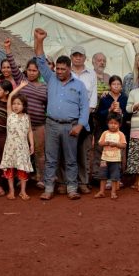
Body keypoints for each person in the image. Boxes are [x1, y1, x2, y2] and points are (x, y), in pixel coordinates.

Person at [33, 28, 89, 200]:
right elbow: (40, 60)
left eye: (62, 69)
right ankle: (49, 188)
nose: (59, 72)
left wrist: (80, 125)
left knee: (71, 159)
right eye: (57, 68)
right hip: (52, 124)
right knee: (51, 159)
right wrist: (40, 40)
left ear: (69, 69)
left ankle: (72, 188)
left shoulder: (79, 85)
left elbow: (85, 107)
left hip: (71, 126)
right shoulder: (50, 79)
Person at [4, 38, 47, 188]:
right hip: (20, 126)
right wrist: (8, 49)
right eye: (29, 70)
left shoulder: (44, 87)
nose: (32, 72)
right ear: (26, 70)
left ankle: (41, 178)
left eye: (35, 70)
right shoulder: (22, 80)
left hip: (38, 125)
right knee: (19, 151)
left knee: (40, 153)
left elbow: (47, 105)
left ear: (39, 71)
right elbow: (14, 67)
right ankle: (18, 178)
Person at [69, 45, 97, 194]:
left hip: (86, 117)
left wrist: (84, 116)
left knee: (84, 151)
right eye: (75, 55)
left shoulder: (91, 74)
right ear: (71, 57)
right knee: (68, 151)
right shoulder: (67, 72)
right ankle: (68, 182)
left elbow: (93, 98)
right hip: (69, 116)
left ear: (85, 58)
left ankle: (84, 182)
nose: (78, 58)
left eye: (80, 55)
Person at [0, 82, 34, 200]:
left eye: (19, 104)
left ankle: (23, 191)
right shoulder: (10, 115)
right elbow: (10, 96)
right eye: (14, 104)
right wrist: (20, 87)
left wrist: (32, 144)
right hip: (10, 147)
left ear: (24, 105)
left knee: (22, 169)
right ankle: (11, 191)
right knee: (9, 169)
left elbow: (29, 131)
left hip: (23, 147)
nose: (15, 106)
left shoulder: (26, 117)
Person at [95, 113, 126, 199]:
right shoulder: (105, 133)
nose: (113, 125)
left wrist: (116, 144)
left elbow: (124, 145)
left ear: (119, 124)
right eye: (111, 123)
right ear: (107, 123)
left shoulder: (121, 134)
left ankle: (113, 192)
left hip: (115, 159)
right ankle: (101, 191)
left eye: (115, 123)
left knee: (114, 176)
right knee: (103, 175)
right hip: (104, 159)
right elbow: (100, 143)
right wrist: (106, 143)